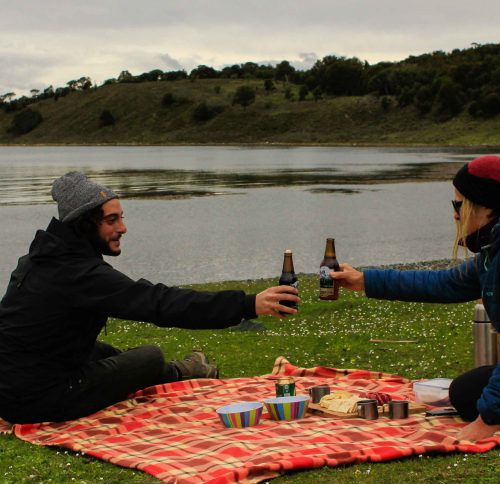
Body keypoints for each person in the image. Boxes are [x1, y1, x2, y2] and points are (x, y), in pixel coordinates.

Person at [0, 172, 299, 424]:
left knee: (103, 351)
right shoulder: (78, 273)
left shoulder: (41, 258)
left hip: (14, 384)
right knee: (149, 356)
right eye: (111, 220)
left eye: (122, 218)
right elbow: (158, 302)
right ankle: (180, 371)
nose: (123, 228)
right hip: (38, 399)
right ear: (85, 224)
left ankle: (173, 370)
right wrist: (248, 304)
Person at [331, 155, 500, 441]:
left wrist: (488, 421)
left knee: (481, 402)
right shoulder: (491, 251)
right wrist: (365, 281)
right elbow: (446, 283)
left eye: (459, 204)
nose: (455, 214)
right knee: (465, 393)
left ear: (488, 207)